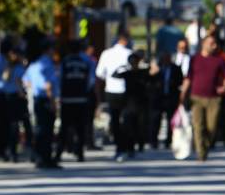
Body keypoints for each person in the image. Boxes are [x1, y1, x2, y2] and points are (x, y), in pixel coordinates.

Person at [179, 35, 225, 161]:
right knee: (198, 125)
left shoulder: (219, 60)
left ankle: (204, 145)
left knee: (211, 127)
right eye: (211, 43)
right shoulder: (195, 59)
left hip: (213, 98)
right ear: (204, 44)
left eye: (215, 43)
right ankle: (201, 153)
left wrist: (223, 88)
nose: (214, 46)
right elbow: (189, 78)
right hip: (196, 97)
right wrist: (183, 93)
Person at [96, 30, 134, 162]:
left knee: (115, 119)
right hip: (125, 91)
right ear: (126, 41)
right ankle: (127, 146)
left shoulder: (106, 54)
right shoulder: (129, 54)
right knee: (127, 120)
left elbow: (100, 73)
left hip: (111, 90)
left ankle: (119, 147)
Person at [24, 41, 61, 169]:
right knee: (47, 130)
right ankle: (46, 158)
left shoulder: (34, 64)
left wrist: (35, 87)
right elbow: (48, 85)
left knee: (40, 129)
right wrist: (53, 103)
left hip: (37, 99)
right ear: (48, 50)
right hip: (46, 99)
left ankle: (38, 156)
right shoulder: (47, 64)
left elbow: (26, 81)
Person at [112, 51, 155, 161]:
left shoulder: (143, 72)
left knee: (140, 126)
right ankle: (130, 148)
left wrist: (148, 64)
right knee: (129, 127)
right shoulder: (128, 73)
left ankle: (140, 146)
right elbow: (114, 75)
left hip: (141, 103)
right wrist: (121, 67)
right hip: (129, 103)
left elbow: (154, 74)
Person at [58, 40, 95, 162]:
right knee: (80, 127)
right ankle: (80, 153)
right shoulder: (85, 62)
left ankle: (60, 152)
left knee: (65, 127)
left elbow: (60, 79)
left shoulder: (65, 62)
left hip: (67, 99)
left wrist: (60, 94)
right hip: (81, 99)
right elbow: (90, 80)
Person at [0, 42, 26, 162]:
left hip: (12, 96)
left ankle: (11, 151)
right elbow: (4, 79)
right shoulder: (1, 61)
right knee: (3, 125)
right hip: (2, 95)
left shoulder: (15, 64)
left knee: (13, 125)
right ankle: (1, 150)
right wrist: (10, 66)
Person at [152, 51, 185, 149]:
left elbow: (180, 81)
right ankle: (154, 141)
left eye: (168, 58)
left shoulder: (176, 68)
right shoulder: (157, 68)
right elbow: (150, 81)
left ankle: (169, 141)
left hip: (171, 97)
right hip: (158, 98)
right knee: (156, 120)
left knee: (171, 120)